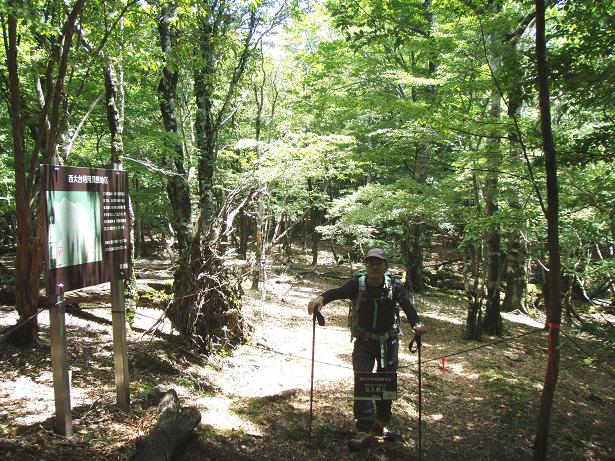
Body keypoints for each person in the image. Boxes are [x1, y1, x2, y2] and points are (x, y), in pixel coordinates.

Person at [307, 248, 425, 446]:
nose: (375, 267)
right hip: (364, 340)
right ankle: (364, 428)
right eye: (371, 263)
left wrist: (416, 323)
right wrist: (321, 299)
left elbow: (406, 305)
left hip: (388, 339)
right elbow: (337, 292)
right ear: (366, 265)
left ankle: (380, 422)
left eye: (379, 263)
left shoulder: (394, 286)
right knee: (362, 379)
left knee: (386, 379)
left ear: (385, 266)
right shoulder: (357, 284)